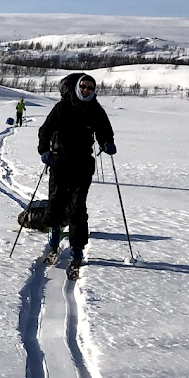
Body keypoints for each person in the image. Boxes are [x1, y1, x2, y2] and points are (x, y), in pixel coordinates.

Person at [37, 71, 116, 274]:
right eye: (83, 86)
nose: (86, 90)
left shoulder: (96, 110)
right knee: (56, 201)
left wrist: (107, 143)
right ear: (77, 87)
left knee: (77, 207)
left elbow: (104, 130)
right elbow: (45, 129)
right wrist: (44, 151)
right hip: (59, 163)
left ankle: (77, 249)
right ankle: (54, 240)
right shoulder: (62, 107)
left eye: (90, 87)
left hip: (82, 165)